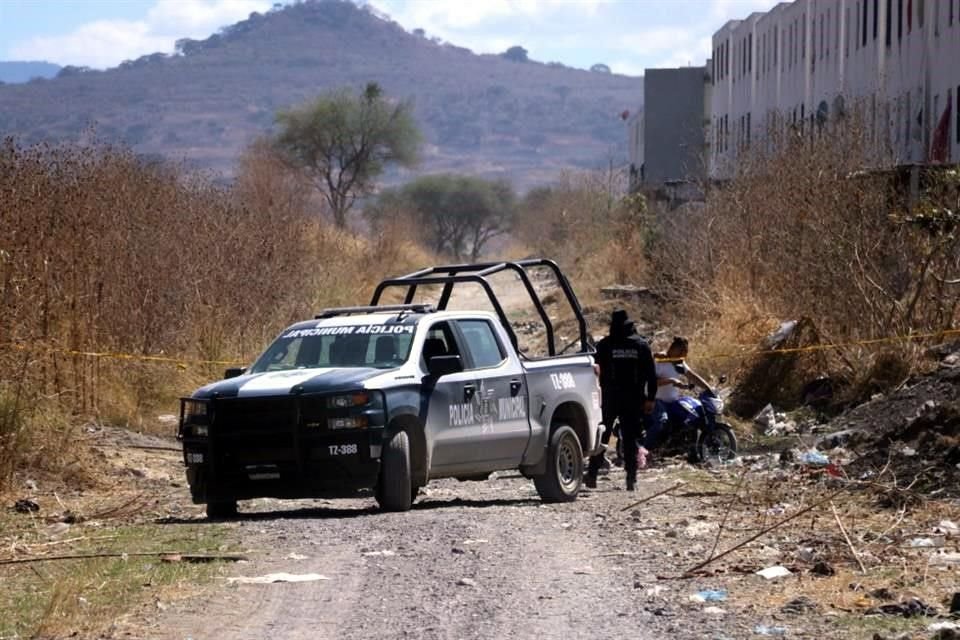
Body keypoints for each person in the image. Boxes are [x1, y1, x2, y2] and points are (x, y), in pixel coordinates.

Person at [585, 309, 658, 492]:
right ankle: (631, 479)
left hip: (609, 398)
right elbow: (651, 375)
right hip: (632, 399)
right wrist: (650, 398)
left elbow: (593, 373)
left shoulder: (605, 345)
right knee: (630, 438)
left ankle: (592, 475)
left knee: (603, 435)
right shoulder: (640, 345)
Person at [644, 336, 712, 453]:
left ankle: (690, 452)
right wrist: (671, 380)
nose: (684, 355)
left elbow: (692, 375)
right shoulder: (658, 360)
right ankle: (645, 451)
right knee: (661, 421)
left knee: (691, 417)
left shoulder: (678, 363)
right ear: (673, 349)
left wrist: (709, 389)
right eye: (681, 351)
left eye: (685, 352)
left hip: (673, 401)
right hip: (655, 400)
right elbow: (651, 383)